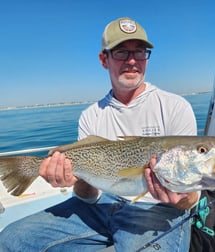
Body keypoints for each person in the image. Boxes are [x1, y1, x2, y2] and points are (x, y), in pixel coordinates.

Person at [0, 17, 199, 251]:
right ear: (104, 59)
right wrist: (70, 177)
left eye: (140, 52)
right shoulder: (90, 116)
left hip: (156, 210)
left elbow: (190, 198)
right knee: (11, 239)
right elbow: (88, 197)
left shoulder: (176, 107)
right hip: (102, 204)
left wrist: (183, 198)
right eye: (122, 52)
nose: (132, 61)